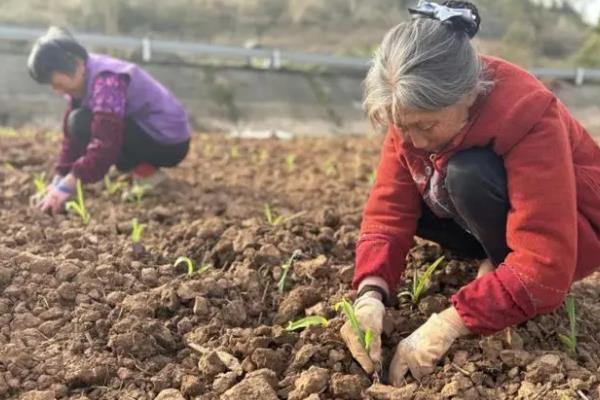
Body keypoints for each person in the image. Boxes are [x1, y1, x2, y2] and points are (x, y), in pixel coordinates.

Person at [340, 1, 600, 385]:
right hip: (487, 210)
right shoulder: (413, 113)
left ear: (468, 96)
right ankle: (494, 259)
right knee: (425, 183)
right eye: (402, 126)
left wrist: (449, 323)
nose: (411, 140)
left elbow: (546, 262)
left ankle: (502, 267)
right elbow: (388, 211)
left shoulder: (526, 112)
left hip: (573, 225)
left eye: (426, 126)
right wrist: (370, 293)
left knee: (467, 173)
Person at [28, 27, 191, 213]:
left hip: (168, 143)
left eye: (55, 82)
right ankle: (142, 167)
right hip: (146, 133)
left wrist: (71, 181)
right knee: (78, 122)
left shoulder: (107, 81)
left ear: (76, 64)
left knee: (85, 123)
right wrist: (60, 177)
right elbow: (71, 139)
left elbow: (106, 143)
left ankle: (148, 174)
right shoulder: (82, 81)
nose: (55, 89)